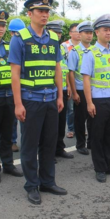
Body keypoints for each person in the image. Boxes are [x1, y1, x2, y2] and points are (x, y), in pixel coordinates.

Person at [8, 0, 67, 205]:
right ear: (29, 14)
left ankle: (47, 181)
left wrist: (60, 95)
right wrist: (18, 104)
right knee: (30, 145)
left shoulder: (53, 38)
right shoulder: (20, 38)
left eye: (47, 11)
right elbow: (15, 73)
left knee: (49, 144)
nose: (45, 14)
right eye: (40, 11)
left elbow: (57, 68)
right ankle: (32, 185)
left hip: (51, 99)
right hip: (30, 101)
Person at [81, 14, 110, 183]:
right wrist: (89, 102)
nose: (109, 33)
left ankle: (109, 165)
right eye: (105, 30)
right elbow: (86, 78)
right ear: (97, 32)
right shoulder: (90, 53)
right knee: (97, 136)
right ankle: (100, 168)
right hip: (98, 101)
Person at [0, 11, 24, 184]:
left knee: (8, 133)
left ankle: (8, 164)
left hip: (9, 96)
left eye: (2, 25)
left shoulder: (9, 46)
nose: (0, 29)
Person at [46, 20, 74, 160]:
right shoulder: (45, 47)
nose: (57, 35)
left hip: (62, 88)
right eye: (54, 32)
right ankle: (48, 152)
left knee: (61, 121)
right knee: (50, 124)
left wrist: (68, 85)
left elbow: (66, 69)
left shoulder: (62, 49)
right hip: (50, 90)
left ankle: (59, 148)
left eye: (59, 32)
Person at [68, 21, 93, 155]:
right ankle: (80, 144)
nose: (89, 36)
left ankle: (91, 142)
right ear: (80, 34)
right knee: (80, 119)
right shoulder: (75, 51)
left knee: (92, 117)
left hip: (93, 89)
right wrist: (74, 92)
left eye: (91, 33)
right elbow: (71, 72)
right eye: (86, 33)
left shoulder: (94, 50)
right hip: (80, 89)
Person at [8, 18, 26, 152]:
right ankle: (10, 141)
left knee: (20, 117)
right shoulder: (8, 47)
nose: (16, 35)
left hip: (21, 87)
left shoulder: (24, 46)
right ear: (11, 33)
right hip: (6, 88)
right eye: (14, 32)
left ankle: (15, 141)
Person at [62, 23, 80, 139]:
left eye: (80, 31)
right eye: (75, 31)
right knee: (71, 108)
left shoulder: (86, 46)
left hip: (81, 82)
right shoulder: (64, 46)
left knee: (81, 107)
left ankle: (80, 128)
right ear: (70, 33)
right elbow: (64, 67)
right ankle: (71, 129)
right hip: (68, 80)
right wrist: (68, 84)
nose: (78, 34)